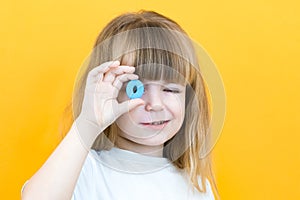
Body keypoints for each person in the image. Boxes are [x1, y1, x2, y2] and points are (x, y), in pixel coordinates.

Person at [22, 10, 219, 200]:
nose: (156, 104)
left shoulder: (197, 187)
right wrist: (88, 123)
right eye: (136, 89)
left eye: (171, 90)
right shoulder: (83, 170)